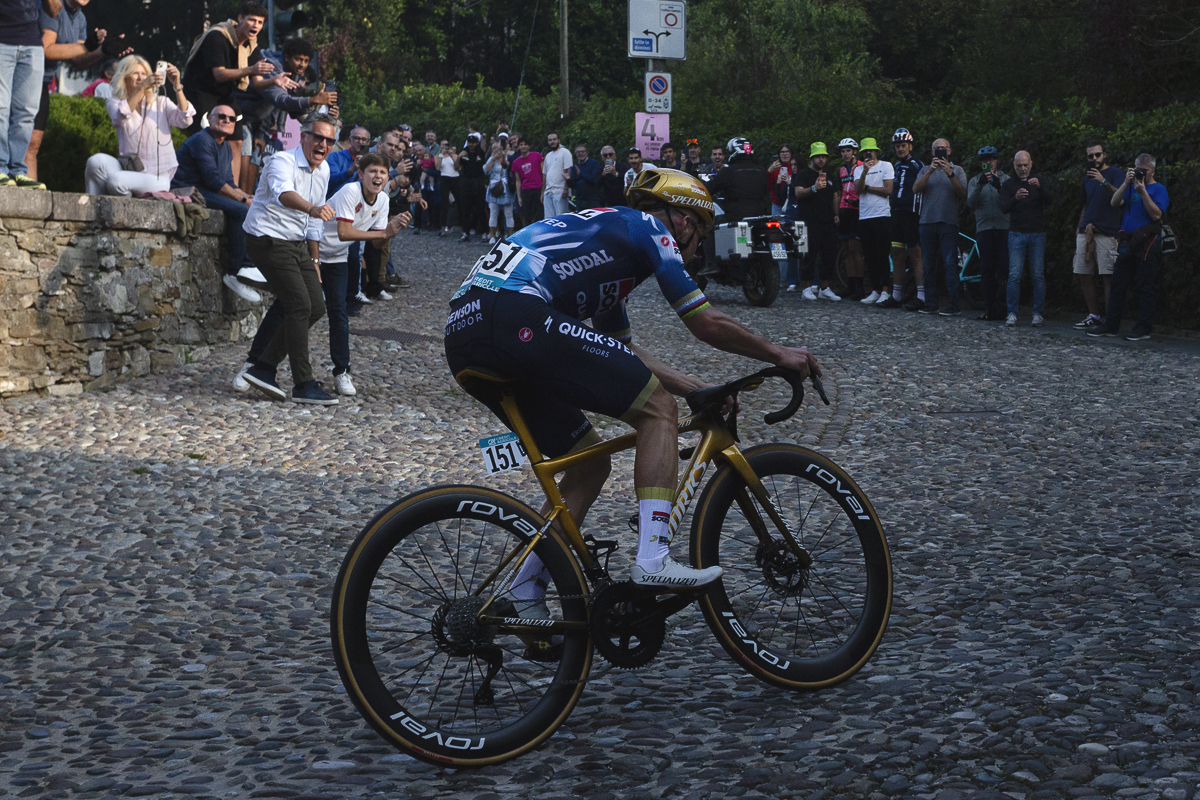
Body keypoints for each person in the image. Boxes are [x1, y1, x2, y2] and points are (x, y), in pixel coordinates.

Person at [443, 168, 820, 595]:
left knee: (588, 463)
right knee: (658, 411)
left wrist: (692, 384)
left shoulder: (609, 252)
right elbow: (705, 322)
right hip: (514, 313)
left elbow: (619, 350)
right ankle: (654, 558)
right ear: (682, 220)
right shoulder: (648, 227)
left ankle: (525, 591)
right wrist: (780, 353)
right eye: (700, 233)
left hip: (466, 331)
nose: (695, 250)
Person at [237, 114, 337, 406]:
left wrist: (315, 261)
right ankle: (303, 383)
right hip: (266, 239)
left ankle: (263, 367)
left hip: (296, 244)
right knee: (298, 305)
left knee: (317, 307)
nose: (323, 144)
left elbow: (316, 221)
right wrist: (313, 209)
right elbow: (283, 195)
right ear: (304, 136)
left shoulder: (324, 170)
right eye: (318, 137)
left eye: (329, 140)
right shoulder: (281, 161)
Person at [318, 152, 410, 396]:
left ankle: (341, 372)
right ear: (361, 174)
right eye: (372, 171)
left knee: (339, 312)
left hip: (336, 257)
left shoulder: (382, 200)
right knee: (301, 309)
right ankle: (260, 363)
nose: (377, 176)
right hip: (312, 250)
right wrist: (382, 234)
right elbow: (344, 232)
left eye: (382, 172)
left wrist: (392, 231)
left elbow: (377, 245)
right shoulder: (350, 191)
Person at [172, 104, 259, 303]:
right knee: (241, 211)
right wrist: (243, 199)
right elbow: (212, 180)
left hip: (207, 190)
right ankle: (235, 273)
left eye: (231, 118)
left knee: (253, 208)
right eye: (221, 116)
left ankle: (251, 267)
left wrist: (248, 197)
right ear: (210, 119)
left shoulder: (226, 147)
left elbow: (228, 182)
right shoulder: (203, 140)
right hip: (189, 189)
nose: (227, 121)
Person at [29, 0, 124, 181]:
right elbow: (46, 50)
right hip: (25, 77)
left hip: (43, 82)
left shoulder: (80, 18)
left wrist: (103, 50)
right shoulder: (52, 6)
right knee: (18, 139)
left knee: (33, 145)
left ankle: (25, 199)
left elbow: (77, 59)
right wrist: (86, 46)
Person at [84, 55, 193, 196]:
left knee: (116, 181)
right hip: (129, 170)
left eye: (144, 74)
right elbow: (119, 118)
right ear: (124, 77)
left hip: (157, 177)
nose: (141, 78)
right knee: (95, 161)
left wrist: (177, 86)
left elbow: (185, 121)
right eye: (135, 73)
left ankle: (123, 209)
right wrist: (141, 88)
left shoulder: (160, 102)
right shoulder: (115, 102)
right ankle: (94, 204)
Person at [1088, 154, 1169, 341]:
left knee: (1145, 285)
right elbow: (1115, 202)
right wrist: (1126, 183)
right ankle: (1111, 325)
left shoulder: (1159, 189)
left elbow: (1157, 215)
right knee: (1117, 283)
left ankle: (1143, 327)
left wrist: (1143, 192)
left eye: (1144, 170)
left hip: (1148, 241)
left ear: (1153, 171)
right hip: (1127, 240)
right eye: (1137, 169)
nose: (1140, 173)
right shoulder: (1131, 186)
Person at [181, 1, 271, 131]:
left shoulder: (252, 45)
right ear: (240, 18)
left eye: (260, 22)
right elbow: (219, 74)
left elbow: (258, 83)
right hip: (200, 92)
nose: (256, 25)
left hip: (224, 95)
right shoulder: (218, 36)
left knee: (238, 136)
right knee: (208, 135)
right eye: (252, 20)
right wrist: (251, 69)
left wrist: (275, 81)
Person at [1071, 141, 1125, 330]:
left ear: (1104, 155)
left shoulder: (1116, 173)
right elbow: (1085, 206)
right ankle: (1094, 315)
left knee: (1107, 275)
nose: (1094, 159)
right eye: (1090, 156)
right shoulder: (1086, 179)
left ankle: (1110, 320)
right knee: (1083, 273)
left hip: (1107, 232)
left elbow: (1120, 199)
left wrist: (1102, 180)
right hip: (1086, 231)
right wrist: (1079, 228)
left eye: (1097, 155)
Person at [1, 0, 54, 189]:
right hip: (2, 41)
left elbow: (54, 10)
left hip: (32, 44)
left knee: (26, 113)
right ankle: (0, 168)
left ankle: (17, 171)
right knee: (1, 108)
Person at [912, 137, 967, 315]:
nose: (941, 151)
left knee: (950, 264)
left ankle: (953, 304)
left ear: (949, 151)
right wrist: (931, 171)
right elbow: (915, 189)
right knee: (928, 266)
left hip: (948, 223)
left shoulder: (958, 170)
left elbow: (962, 193)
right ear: (932, 152)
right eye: (937, 149)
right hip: (927, 223)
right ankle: (931, 303)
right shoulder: (925, 169)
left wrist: (949, 173)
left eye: (944, 148)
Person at [999, 151, 1052, 327]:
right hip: (1016, 232)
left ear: (1031, 164)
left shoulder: (1039, 180)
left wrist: (1040, 188)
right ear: (1014, 165)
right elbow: (1003, 208)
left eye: (1025, 165)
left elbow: (1050, 201)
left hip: (1037, 232)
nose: (1023, 169)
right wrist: (1015, 198)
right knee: (1014, 275)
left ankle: (1038, 313)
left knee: (1037, 274)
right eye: (1019, 165)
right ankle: (1012, 313)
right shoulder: (1008, 184)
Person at [881, 128, 926, 310]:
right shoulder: (896, 166)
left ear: (910, 146)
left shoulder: (917, 165)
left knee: (916, 255)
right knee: (897, 254)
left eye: (903, 146)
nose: (900, 149)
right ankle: (897, 295)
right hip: (897, 212)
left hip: (912, 213)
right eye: (898, 146)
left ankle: (922, 296)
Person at [788, 142, 840, 300]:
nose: (821, 160)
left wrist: (836, 214)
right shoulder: (804, 174)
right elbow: (798, 192)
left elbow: (835, 195)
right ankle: (807, 288)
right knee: (808, 254)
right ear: (812, 158)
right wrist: (814, 188)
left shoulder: (829, 175)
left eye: (823, 157)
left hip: (827, 220)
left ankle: (825, 288)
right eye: (818, 157)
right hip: (809, 221)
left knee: (828, 254)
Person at [965, 146, 1010, 321]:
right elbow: (970, 203)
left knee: (1005, 269)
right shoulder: (975, 181)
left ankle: (1005, 307)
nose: (988, 163)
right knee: (987, 270)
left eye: (991, 159)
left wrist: (998, 186)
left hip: (1003, 228)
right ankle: (988, 308)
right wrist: (980, 185)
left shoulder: (1006, 179)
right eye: (984, 160)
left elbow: (1009, 203)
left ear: (997, 160)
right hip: (984, 229)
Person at [852, 138, 894, 306]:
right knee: (869, 256)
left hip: (882, 215)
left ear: (876, 152)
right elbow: (857, 190)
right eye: (865, 152)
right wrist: (864, 172)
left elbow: (888, 190)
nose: (868, 154)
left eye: (870, 151)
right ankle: (875, 289)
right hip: (865, 216)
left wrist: (868, 188)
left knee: (883, 254)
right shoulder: (858, 170)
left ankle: (885, 290)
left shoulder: (886, 166)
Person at [705, 136, 768, 222]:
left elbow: (708, 189)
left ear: (733, 152)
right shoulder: (761, 170)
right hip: (759, 216)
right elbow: (765, 191)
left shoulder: (728, 171)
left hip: (735, 218)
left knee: (709, 222)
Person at [835, 138, 865, 300]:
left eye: (848, 150)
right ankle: (850, 285)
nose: (845, 154)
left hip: (857, 210)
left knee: (855, 249)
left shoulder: (861, 167)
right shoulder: (841, 170)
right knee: (846, 250)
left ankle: (860, 287)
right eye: (843, 151)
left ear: (854, 151)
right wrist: (837, 213)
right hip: (844, 211)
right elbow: (839, 192)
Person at [457, 131, 487, 241]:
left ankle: (483, 231)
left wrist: (483, 137)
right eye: (470, 142)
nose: (471, 144)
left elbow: (484, 147)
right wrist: (459, 157)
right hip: (466, 182)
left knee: (480, 207)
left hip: (478, 181)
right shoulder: (464, 153)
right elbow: (456, 167)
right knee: (465, 208)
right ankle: (465, 232)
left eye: (473, 142)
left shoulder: (480, 152)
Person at [484, 139, 513, 243]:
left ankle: (510, 236)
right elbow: (486, 170)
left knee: (508, 214)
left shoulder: (508, 158)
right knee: (493, 213)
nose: (497, 150)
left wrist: (503, 156)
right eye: (495, 148)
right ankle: (492, 236)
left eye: (499, 148)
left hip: (505, 189)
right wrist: (493, 159)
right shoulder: (490, 159)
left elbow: (506, 165)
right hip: (494, 188)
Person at [541, 131, 571, 219]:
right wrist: (542, 192)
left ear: (558, 140)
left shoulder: (565, 152)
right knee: (548, 220)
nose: (552, 142)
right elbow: (545, 175)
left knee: (561, 218)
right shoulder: (548, 156)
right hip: (548, 191)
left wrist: (566, 189)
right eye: (550, 140)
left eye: (554, 139)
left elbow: (568, 171)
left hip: (560, 191)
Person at [567, 143, 601, 210]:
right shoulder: (574, 167)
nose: (580, 154)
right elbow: (573, 185)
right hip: (579, 200)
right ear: (576, 154)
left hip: (592, 200)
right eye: (578, 152)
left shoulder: (594, 163)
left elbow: (594, 179)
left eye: (582, 152)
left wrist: (581, 174)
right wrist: (568, 179)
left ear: (587, 153)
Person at [767, 144, 796, 216]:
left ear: (791, 153)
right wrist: (769, 171)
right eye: (782, 152)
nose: (785, 154)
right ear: (779, 154)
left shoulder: (794, 166)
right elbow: (768, 187)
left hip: (792, 204)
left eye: (787, 152)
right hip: (777, 204)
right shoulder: (775, 167)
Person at [438, 141, 460, 236]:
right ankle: (442, 228)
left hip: (455, 178)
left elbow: (458, 168)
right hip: (445, 178)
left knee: (459, 202)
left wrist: (455, 158)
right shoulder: (438, 156)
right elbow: (438, 167)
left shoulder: (455, 157)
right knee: (444, 203)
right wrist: (442, 154)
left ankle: (463, 229)